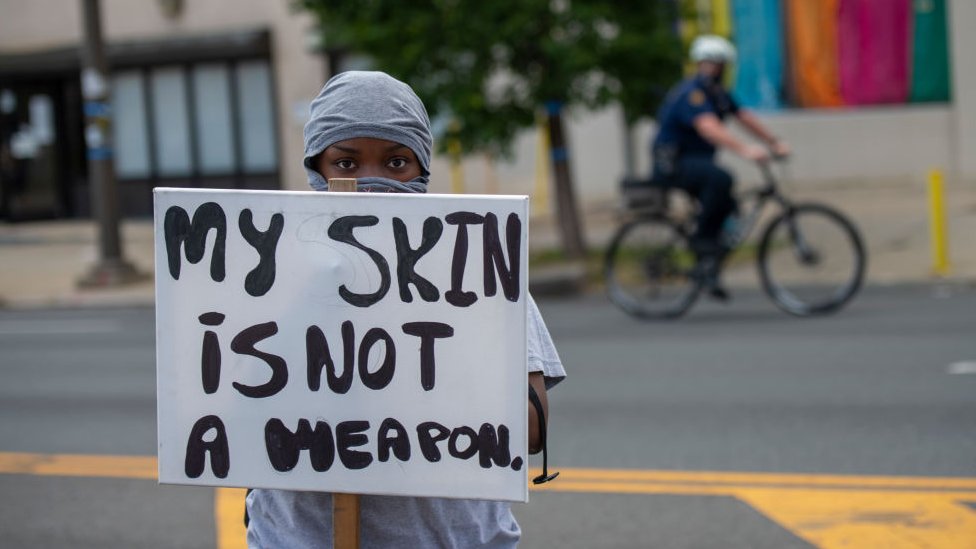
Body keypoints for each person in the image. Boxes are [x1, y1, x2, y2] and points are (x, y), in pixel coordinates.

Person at [244, 70, 566, 548]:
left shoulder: (479, 264)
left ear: (423, 170)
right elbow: (226, 421)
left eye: (396, 162)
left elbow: (530, 428)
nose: (373, 184)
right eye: (347, 165)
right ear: (316, 167)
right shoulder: (262, 270)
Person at [651, 34, 790, 300]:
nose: (718, 69)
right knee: (721, 179)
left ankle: (710, 267)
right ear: (703, 63)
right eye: (714, 63)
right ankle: (702, 244)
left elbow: (743, 117)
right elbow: (708, 127)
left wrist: (773, 142)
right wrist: (745, 150)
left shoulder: (717, 93)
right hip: (672, 163)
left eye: (721, 64)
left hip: (696, 162)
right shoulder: (692, 93)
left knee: (729, 206)